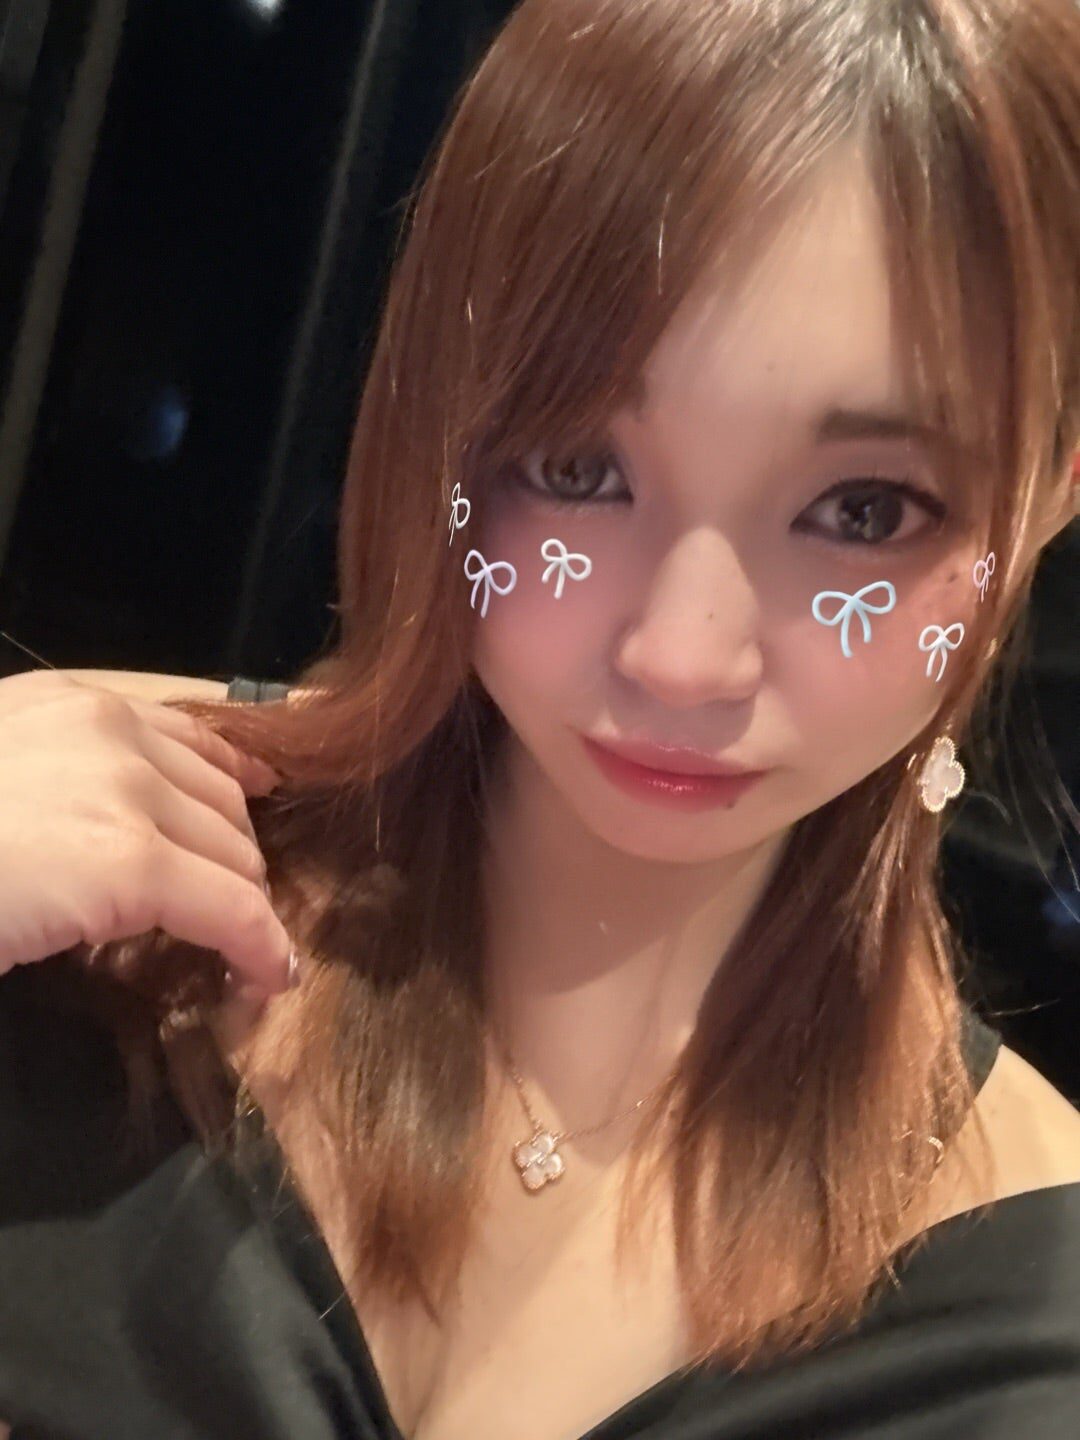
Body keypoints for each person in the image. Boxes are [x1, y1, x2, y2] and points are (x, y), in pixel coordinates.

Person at [2, 0, 1080, 1435]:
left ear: (1050, 489)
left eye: (866, 511)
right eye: (576, 467)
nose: (683, 657)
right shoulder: (71, 873)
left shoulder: (1037, 1328)